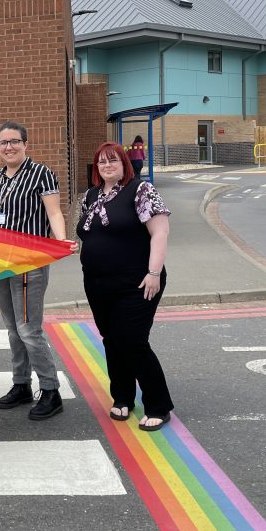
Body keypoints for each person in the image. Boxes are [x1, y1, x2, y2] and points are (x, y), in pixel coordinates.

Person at [77, 141, 173, 432]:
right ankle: (122, 396)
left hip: (137, 282)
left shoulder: (140, 190)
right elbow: (89, 234)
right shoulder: (91, 195)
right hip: (97, 282)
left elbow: (160, 232)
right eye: (102, 162)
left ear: (124, 164)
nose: (107, 166)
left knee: (132, 341)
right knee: (111, 339)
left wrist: (154, 273)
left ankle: (158, 405)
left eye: (113, 161)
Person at [0, 121, 78, 420]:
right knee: (13, 329)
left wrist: (61, 241)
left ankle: (51, 390)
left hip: (29, 262)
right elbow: (0, 215)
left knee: (28, 330)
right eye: (3, 142)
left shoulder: (41, 173)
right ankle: (21, 384)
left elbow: (54, 212)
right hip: (1, 262)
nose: (9, 147)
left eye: (14, 141)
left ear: (25, 144)